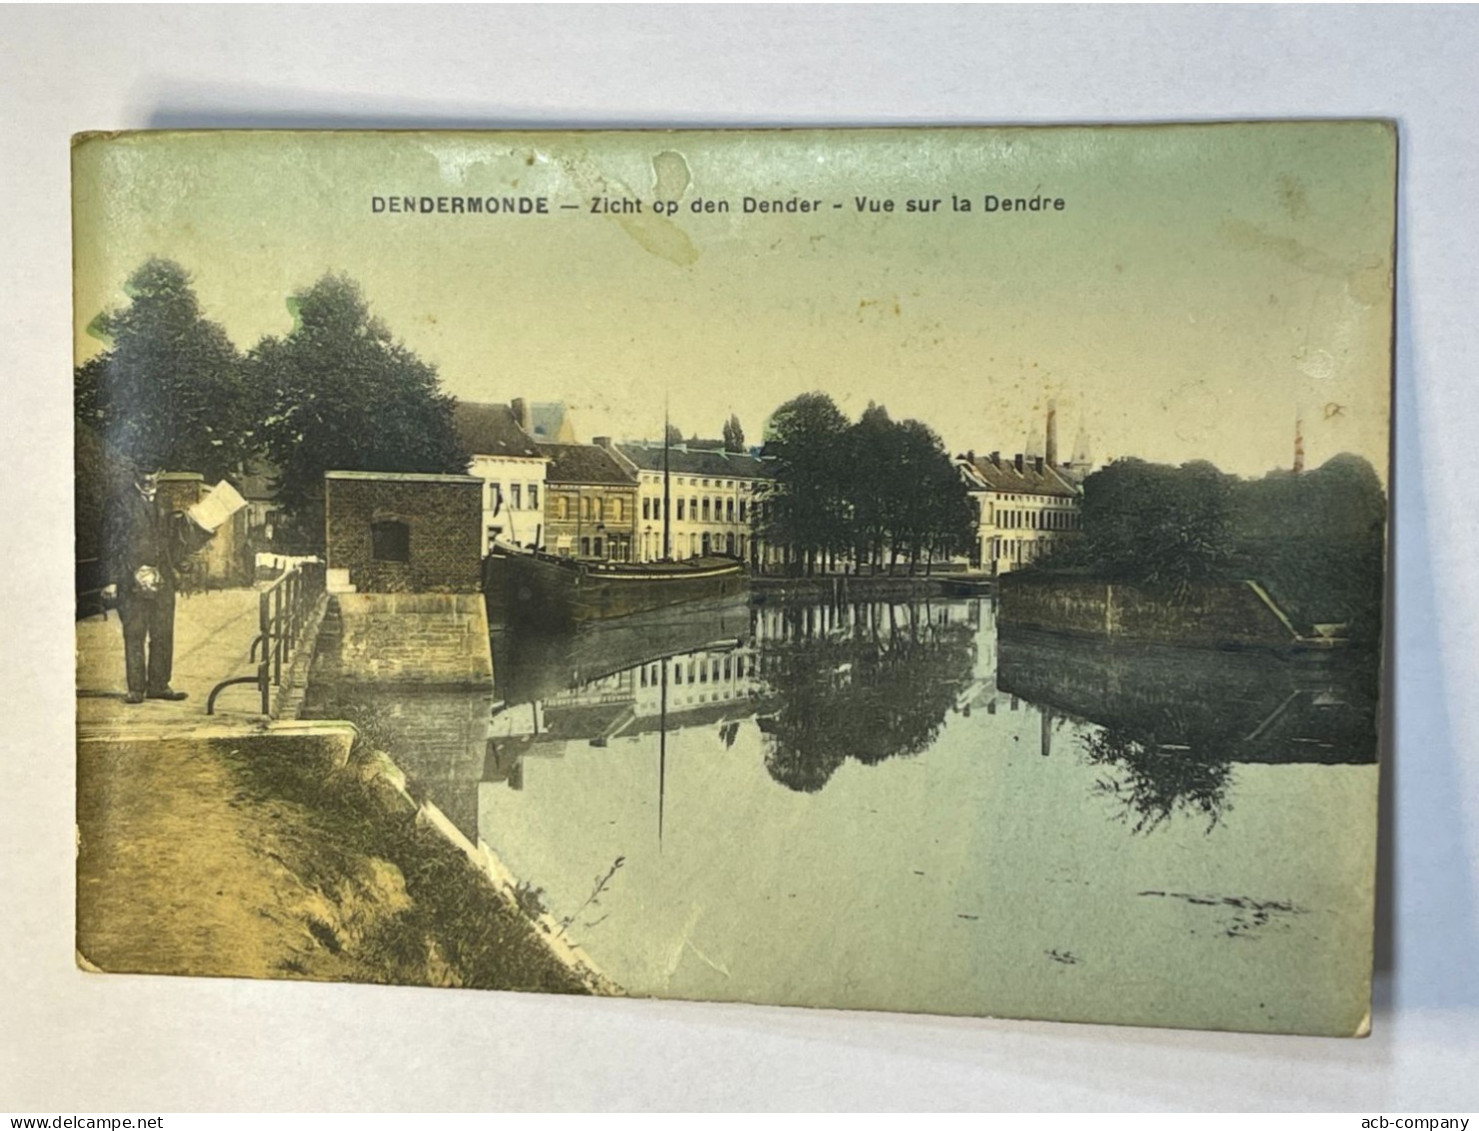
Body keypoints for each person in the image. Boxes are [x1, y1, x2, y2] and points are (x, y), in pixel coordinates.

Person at [101, 469, 190, 704]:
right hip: (130, 579)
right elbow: (111, 541)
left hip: (163, 579)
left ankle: (159, 685)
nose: (148, 479)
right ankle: (136, 689)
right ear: (135, 474)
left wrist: (182, 562)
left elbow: (172, 539)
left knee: (163, 632)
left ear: (160, 474)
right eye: (143, 473)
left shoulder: (164, 501)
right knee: (135, 633)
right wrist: (111, 580)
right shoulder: (120, 502)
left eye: (153, 473)